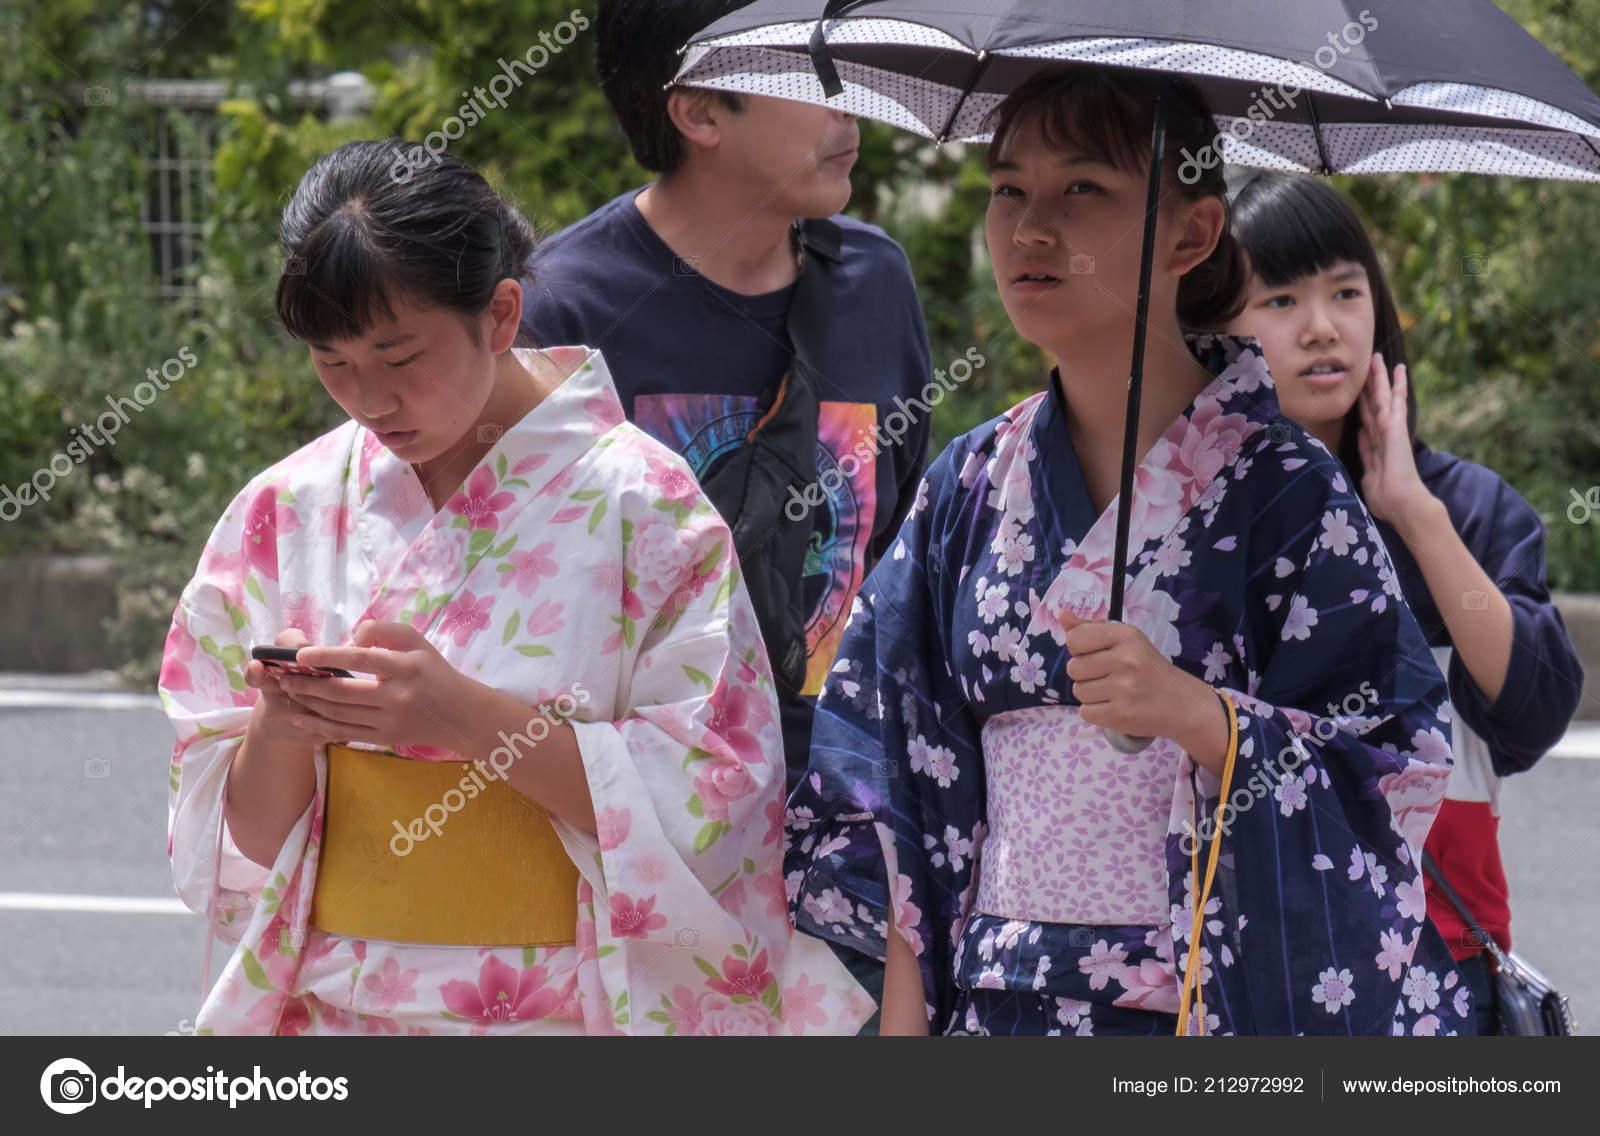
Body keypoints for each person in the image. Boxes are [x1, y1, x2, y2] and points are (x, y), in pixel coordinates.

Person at [785, 64, 1471, 1036]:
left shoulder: (1287, 492)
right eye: (1008, 190)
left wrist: (1201, 716)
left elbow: (1393, 764)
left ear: (1189, 233)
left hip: (1198, 1010)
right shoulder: (966, 485)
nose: (1029, 228)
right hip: (995, 1007)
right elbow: (902, 792)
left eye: (1082, 190)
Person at [160, 140, 871, 1036]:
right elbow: (246, 847)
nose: (369, 400)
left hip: (560, 1016)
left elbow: (720, 799)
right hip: (338, 1010)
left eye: (399, 355)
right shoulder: (282, 509)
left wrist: (463, 718)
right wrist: (283, 724)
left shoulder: (641, 503)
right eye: (333, 363)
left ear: (500, 315)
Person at [519, 0, 933, 790]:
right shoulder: (562, 312)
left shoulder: (876, 282)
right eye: (814, 72)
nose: (850, 102)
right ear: (700, 112)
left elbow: (899, 550)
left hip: (844, 818)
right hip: (646, 822)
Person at [1227, 170, 1584, 1035]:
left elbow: (1533, 712)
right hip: (1250, 964)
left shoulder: (1465, 509)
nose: (1322, 327)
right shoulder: (1200, 515)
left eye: (1346, 291)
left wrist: (1415, 516)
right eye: (1280, 300)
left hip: (1441, 972)